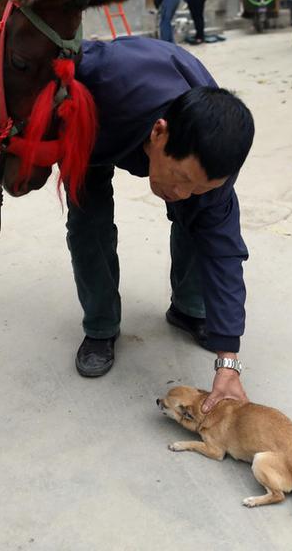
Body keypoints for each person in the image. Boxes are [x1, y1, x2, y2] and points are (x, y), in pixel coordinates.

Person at [68, 36, 255, 413]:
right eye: (182, 178)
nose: (184, 192)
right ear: (158, 133)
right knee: (90, 222)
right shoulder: (97, 77)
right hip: (95, 126)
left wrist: (228, 359)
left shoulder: (211, 165)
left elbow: (223, 253)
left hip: (156, 121)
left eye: (200, 185)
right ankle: (100, 327)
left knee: (199, 220)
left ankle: (188, 307)